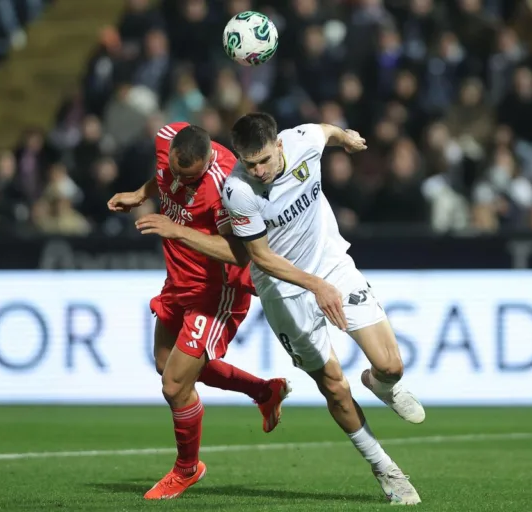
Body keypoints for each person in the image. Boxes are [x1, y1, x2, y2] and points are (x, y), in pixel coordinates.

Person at [222, 113, 424, 504]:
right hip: (284, 290)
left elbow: (325, 131)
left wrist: (346, 137)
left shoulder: (302, 141)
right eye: (250, 163)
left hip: (331, 265)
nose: (259, 170)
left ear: (279, 145)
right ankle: (385, 468)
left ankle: (381, 385)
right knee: (333, 385)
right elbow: (260, 258)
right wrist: (316, 287)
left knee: (391, 366)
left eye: (264, 159)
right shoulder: (238, 190)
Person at [107, 122, 290, 500]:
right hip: (178, 280)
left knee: (175, 385)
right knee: (165, 363)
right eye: (176, 172)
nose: (180, 184)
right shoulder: (166, 139)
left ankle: (187, 469)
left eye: (189, 179)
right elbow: (163, 179)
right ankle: (263, 391)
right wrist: (141, 194)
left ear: (207, 163)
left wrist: (176, 230)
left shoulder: (229, 187)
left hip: (216, 291)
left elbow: (241, 253)